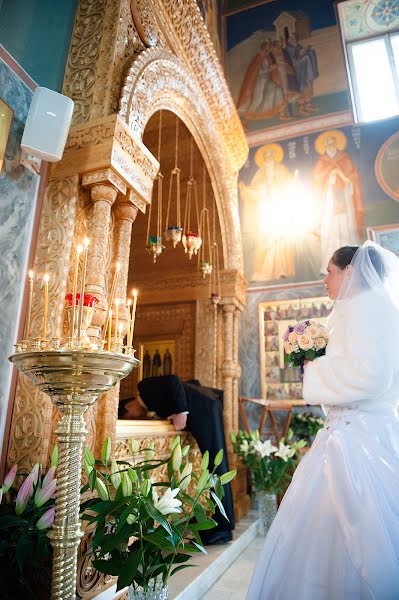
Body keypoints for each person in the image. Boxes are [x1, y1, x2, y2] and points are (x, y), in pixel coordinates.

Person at [247, 241, 399, 599]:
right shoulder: (353, 309)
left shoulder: (369, 308)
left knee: (348, 527)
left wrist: (313, 365)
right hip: (346, 429)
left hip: (359, 438)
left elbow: (371, 377)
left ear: (350, 271)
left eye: (329, 272)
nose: (324, 280)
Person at [137, 375, 235, 545]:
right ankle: (223, 524)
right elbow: (193, 383)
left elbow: (173, 380)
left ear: (129, 404)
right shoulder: (155, 401)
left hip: (203, 409)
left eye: (128, 412)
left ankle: (222, 529)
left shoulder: (143, 387)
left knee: (216, 468)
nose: (133, 415)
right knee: (216, 467)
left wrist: (182, 411)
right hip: (207, 405)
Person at [313, 130, 365, 275]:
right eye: (328, 144)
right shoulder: (322, 162)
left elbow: (353, 176)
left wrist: (342, 176)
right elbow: (317, 181)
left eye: (333, 143)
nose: (331, 146)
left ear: (337, 145)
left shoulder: (344, 158)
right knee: (331, 229)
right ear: (325, 146)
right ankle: (330, 263)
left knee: (346, 227)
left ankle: (352, 262)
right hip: (328, 201)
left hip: (345, 200)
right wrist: (330, 175)